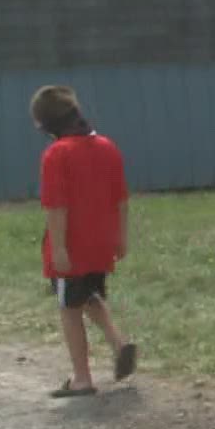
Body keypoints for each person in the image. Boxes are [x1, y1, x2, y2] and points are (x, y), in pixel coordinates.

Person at [32, 85, 135, 399]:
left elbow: (56, 206)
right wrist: (120, 237)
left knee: (69, 308)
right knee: (88, 294)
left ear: (47, 125)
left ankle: (82, 378)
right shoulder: (107, 146)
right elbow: (121, 200)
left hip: (72, 247)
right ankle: (119, 344)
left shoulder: (56, 154)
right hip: (101, 242)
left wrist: (59, 249)